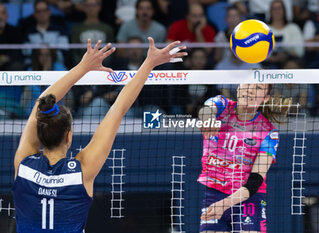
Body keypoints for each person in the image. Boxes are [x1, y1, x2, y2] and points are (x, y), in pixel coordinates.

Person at [12, 38, 187, 232]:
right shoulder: (82, 170)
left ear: (41, 133)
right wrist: (149, 63)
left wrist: (82, 67)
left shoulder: (23, 165)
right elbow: (118, 108)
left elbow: (40, 103)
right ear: (69, 136)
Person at [198, 84, 291, 232]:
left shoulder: (268, 133)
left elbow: (255, 181)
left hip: (248, 198)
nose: (250, 89)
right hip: (214, 193)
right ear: (238, 89)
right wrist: (207, 117)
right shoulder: (222, 105)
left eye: (258, 87)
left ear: (266, 98)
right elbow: (207, 107)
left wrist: (225, 204)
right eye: (246, 84)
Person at [266, 0, 304, 68]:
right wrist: (273, 58)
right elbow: (260, 52)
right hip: (268, 62)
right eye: (274, 9)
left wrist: (286, 55)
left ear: (285, 10)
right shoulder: (264, 29)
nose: (277, 11)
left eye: (280, 8)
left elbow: (299, 51)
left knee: (292, 65)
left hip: (290, 60)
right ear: (270, 11)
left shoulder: (293, 28)